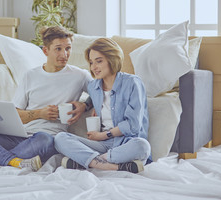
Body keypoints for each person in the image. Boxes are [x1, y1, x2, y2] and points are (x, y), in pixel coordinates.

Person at [0, 26, 93, 171]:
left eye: (68, 48)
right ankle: (13, 161)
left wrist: (84, 105)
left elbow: (100, 92)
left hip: (45, 140)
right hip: (18, 137)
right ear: (45, 51)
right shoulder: (30, 76)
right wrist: (39, 113)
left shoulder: (79, 76)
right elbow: (17, 114)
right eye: (58, 49)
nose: (65, 54)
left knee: (44, 139)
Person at [54, 38, 151, 173]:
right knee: (60, 138)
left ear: (112, 59)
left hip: (125, 143)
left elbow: (133, 126)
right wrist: (85, 105)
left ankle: (88, 161)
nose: (94, 67)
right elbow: (93, 98)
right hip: (101, 146)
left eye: (99, 61)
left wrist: (104, 135)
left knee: (143, 146)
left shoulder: (133, 83)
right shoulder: (94, 86)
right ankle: (112, 166)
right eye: (91, 62)